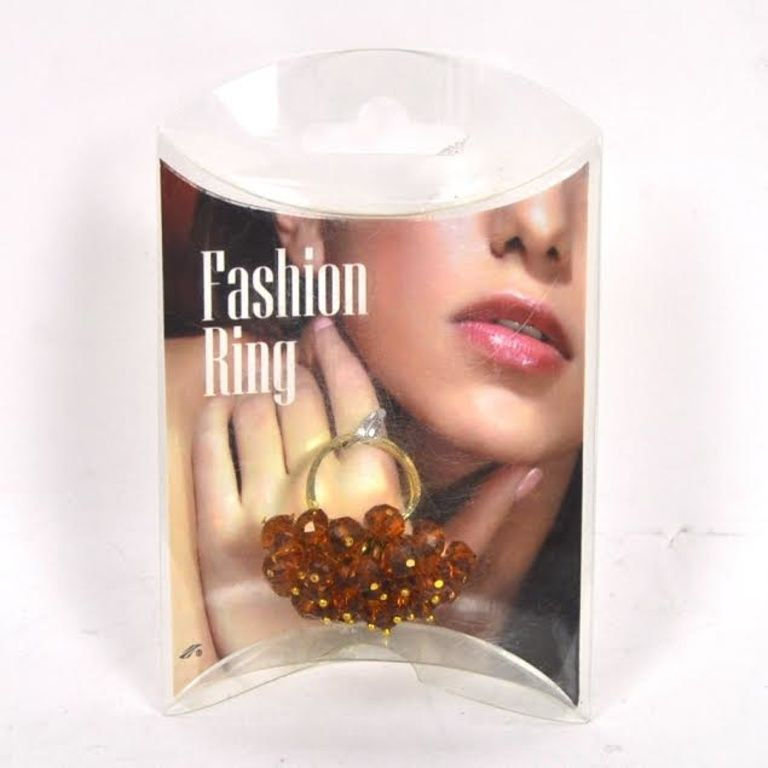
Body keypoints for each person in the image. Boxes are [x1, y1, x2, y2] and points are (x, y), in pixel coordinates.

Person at [162, 164, 588, 699]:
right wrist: (301, 655)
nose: (544, 227)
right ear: (304, 213)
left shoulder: (617, 533)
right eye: (459, 155)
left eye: (598, 181)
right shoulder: (142, 436)